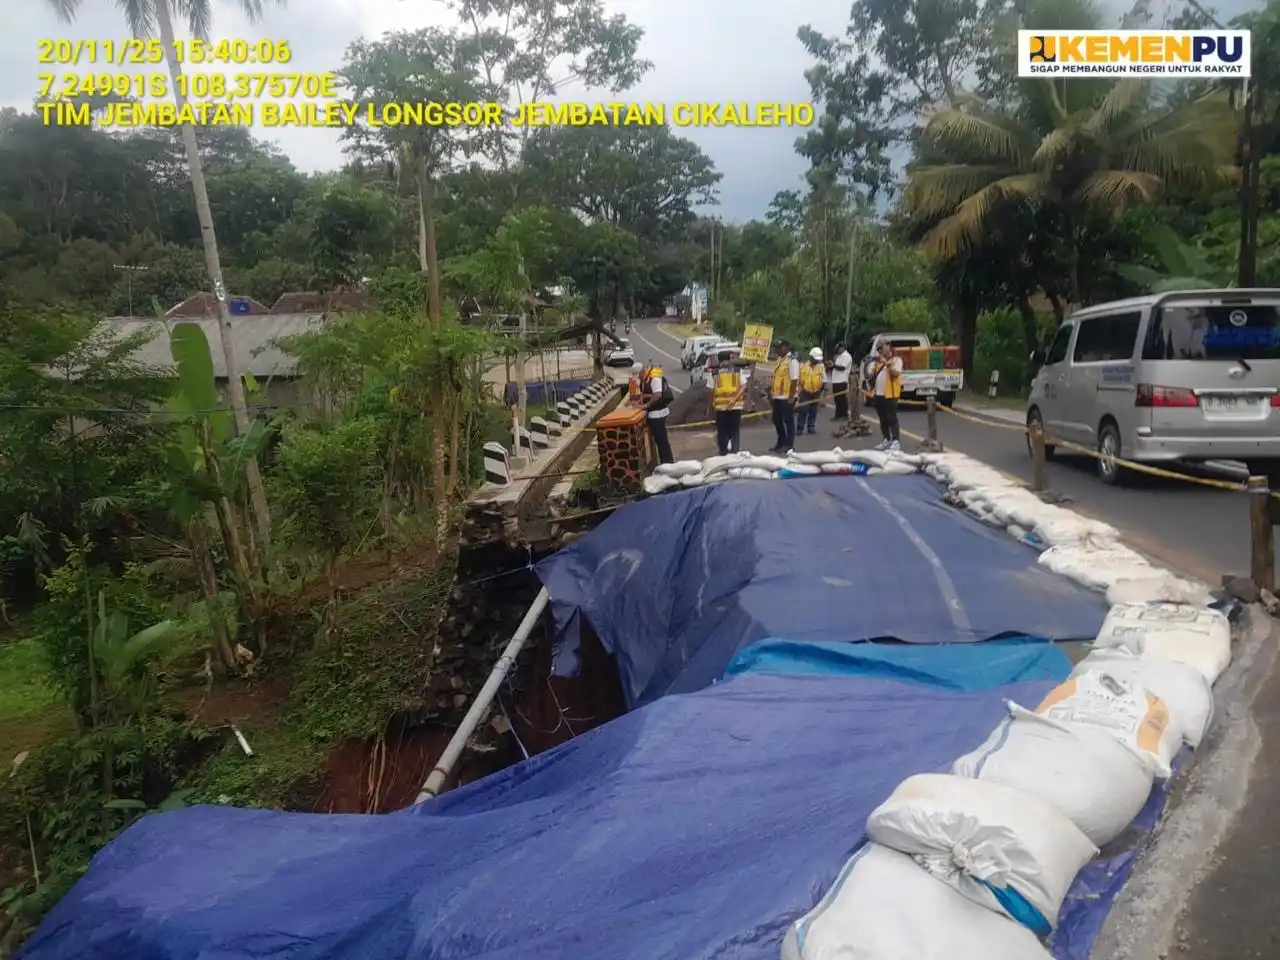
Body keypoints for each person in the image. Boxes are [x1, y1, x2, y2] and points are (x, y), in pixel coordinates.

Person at [867, 338, 903, 452]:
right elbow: (869, 373)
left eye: (881, 348)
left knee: (892, 418)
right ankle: (886, 439)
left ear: (888, 347)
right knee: (883, 419)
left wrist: (886, 363)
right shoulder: (877, 363)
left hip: (890, 394)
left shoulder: (896, 360)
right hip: (878, 394)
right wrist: (873, 364)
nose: (880, 350)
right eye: (878, 349)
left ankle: (896, 441)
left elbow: (895, 372)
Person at [710, 352, 746, 455]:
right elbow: (744, 386)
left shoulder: (715, 373)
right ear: (729, 359)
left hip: (721, 407)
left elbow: (711, 391)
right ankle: (734, 451)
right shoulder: (738, 371)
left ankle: (723, 451)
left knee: (722, 430)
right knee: (734, 429)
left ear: (719, 360)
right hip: (736, 406)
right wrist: (734, 400)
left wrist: (710, 406)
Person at [769, 340, 800, 453]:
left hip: (787, 396)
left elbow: (794, 379)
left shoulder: (792, 361)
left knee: (788, 420)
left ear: (786, 347)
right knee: (776, 419)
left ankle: (789, 445)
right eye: (776, 348)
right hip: (778, 396)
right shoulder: (779, 360)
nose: (777, 350)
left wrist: (792, 397)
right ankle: (781, 441)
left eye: (779, 347)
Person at [641, 363, 675, 463]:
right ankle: (666, 461)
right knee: (661, 439)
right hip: (657, 413)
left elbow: (657, 395)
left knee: (661, 440)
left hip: (658, 414)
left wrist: (646, 405)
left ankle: (667, 461)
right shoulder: (650, 377)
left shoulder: (654, 378)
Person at [797, 347, 825, 435]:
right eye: (816, 359)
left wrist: (823, 392)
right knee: (803, 410)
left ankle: (811, 427)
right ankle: (800, 428)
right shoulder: (803, 366)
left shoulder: (821, 367)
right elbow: (799, 380)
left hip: (816, 391)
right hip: (806, 391)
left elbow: (824, 380)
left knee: (813, 410)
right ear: (811, 357)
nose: (817, 361)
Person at [830, 342, 853, 420]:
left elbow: (843, 367)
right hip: (836, 380)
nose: (837, 350)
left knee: (841, 399)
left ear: (842, 348)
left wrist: (833, 365)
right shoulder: (839, 356)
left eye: (839, 348)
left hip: (842, 380)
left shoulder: (846, 356)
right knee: (837, 399)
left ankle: (844, 415)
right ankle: (838, 415)